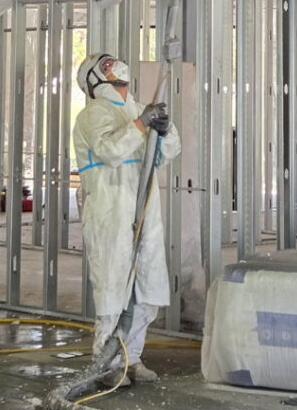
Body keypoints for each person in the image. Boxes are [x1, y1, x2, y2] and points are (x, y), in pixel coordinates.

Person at [73, 52, 180, 387]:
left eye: (114, 61)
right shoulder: (93, 113)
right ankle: (106, 365)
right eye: (104, 65)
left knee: (146, 286)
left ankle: (131, 360)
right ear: (93, 80)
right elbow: (110, 151)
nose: (114, 64)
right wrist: (141, 124)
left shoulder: (135, 110)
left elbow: (166, 154)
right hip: (111, 210)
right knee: (113, 286)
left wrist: (165, 129)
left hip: (144, 208)